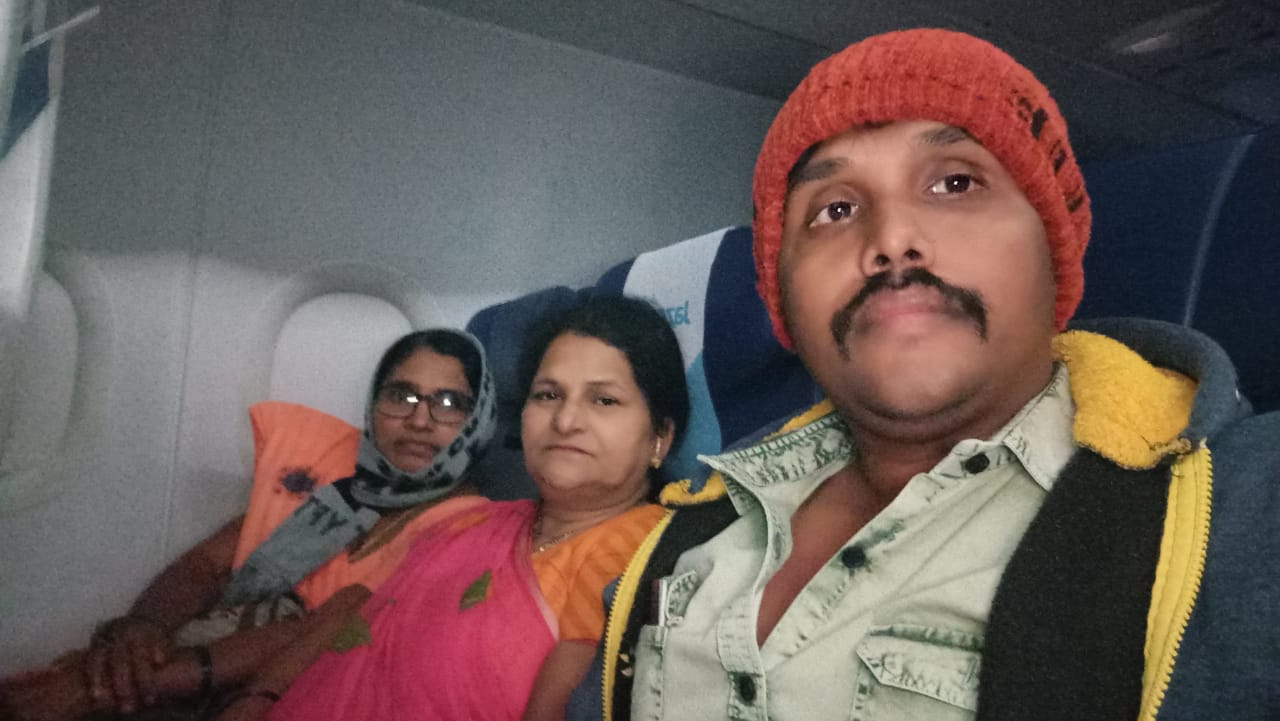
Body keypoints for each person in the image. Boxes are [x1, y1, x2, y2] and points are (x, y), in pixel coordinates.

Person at [584, 28, 1280, 721]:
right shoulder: (691, 524)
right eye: (835, 210)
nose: (892, 240)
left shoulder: (1242, 509)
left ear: (1053, 249)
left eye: (955, 183)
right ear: (782, 300)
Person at [211, 295, 689, 721]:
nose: (565, 420)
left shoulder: (644, 560)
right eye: (547, 395)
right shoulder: (472, 522)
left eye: (603, 400)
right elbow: (361, 621)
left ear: (660, 438)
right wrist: (258, 698)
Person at [1, 328, 497, 721]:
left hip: (287, 689)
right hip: (189, 660)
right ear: (374, 406)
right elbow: (206, 565)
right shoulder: (337, 492)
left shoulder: (471, 529)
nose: (419, 419)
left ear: (481, 420)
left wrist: (132, 682)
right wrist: (142, 631)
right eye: (401, 395)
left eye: (449, 403)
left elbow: (331, 625)